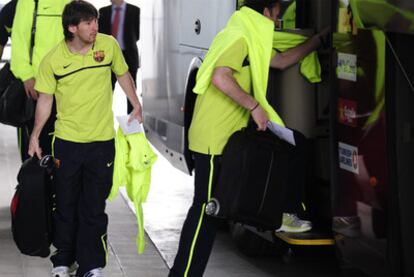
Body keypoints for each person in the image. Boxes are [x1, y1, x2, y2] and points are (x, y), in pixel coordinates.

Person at [169, 0, 330, 276]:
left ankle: (283, 213)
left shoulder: (249, 34)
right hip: (212, 138)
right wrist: (254, 106)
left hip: (227, 138)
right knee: (206, 211)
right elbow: (221, 77)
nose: (277, 22)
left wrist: (316, 41)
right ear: (266, 12)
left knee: (293, 146)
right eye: (277, 15)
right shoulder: (239, 37)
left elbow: (280, 61)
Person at [28, 1, 143, 276]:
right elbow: (45, 100)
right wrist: (34, 135)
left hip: (102, 143)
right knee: (65, 204)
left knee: (94, 207)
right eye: (89, 23)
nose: (95, 27)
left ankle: (91, 265)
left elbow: (123, 73)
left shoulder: (108, 45)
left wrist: (135, 103)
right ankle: (63, 260)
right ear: (72, 27)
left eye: (96, 21)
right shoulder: (53, 59)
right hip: (67, 143)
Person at [11, 0, 70, 161]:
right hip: (37, 87)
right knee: (35, 148)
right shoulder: (29, 2)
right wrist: (26, 76)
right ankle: (33, 184)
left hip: (67, 87)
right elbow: (19, 40)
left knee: (64, 146)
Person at [98, 0, 140, 113]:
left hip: (129, 55)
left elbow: (138, 33)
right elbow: (100, 33)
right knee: (107, 86)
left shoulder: (135, 10)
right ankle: (104, 114)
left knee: (131, 87)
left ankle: (132, 116)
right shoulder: (103, 11)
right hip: (108, 55)